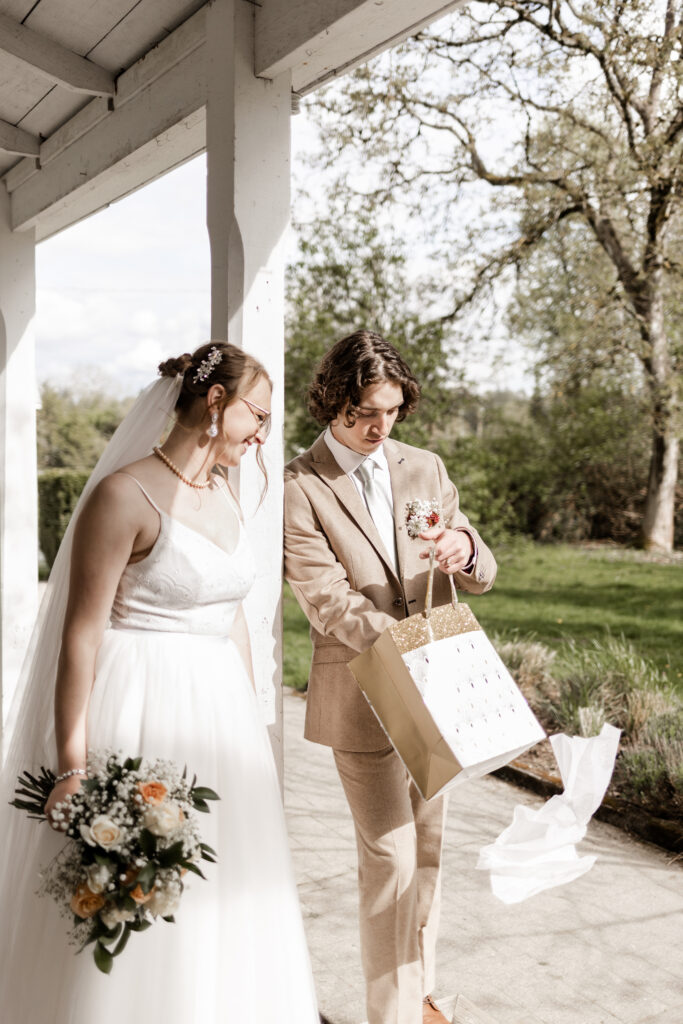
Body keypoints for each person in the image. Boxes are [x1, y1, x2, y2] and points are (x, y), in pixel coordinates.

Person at [0, 341, 318, 1024]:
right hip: (140, 707)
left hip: (220, 718)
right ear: (214, 403)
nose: (263, 433)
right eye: (255, 416)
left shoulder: (226, 494)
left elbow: (230, 616)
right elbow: (79, 634)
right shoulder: (125, 494)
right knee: (137, 891)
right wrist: (72, 765)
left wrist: (255, 724)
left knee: (224, 892)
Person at [284, 330, 497, 1024]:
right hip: (363, 694)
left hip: (439, 690)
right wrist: (407, 643)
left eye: (392, 412)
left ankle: (420, 996)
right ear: (333, 401)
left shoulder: (424, 467)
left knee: (427, 855)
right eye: (366, 413)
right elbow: (325, 600)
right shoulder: (298, 487)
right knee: (391, 861)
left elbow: (474, 561)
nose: (380, 427)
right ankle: (392, 1017)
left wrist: (462, 547)